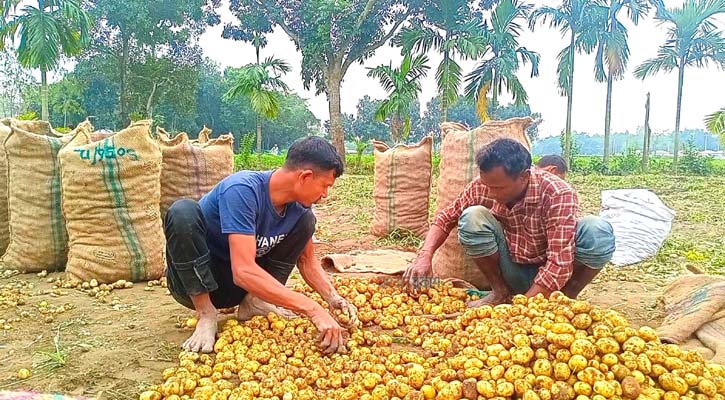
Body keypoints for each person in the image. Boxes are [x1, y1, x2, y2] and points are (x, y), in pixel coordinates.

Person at [164, 136, 358, 354]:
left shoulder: (299, 210)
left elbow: (307, 262)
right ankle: (206, 314)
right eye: (325, 186)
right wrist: (312, 309)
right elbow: (243, 271)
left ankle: (254, 302)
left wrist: (333, 298)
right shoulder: (242, 190)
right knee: (182, 211)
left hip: (243, 288)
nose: (324, 195)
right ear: (305, 176)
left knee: (306, 222)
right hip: (196, 283)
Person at [403, 138, 615, 306]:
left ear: (523, 177)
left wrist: (522, 311)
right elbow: (445, 218)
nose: (490, 193)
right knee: (472, 217)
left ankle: (565, 299)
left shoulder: (557, 193)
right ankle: (500, 293)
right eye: (487, 185)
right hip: (512, 266)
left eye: (498, 188)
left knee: (597, 231)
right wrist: (425, 256)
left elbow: (560, 262)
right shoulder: (483, 186)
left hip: (555, 273)